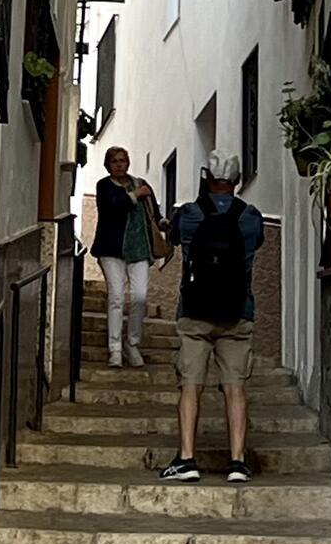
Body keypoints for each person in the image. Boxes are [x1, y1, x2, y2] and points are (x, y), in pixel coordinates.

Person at [158, 148, 264, 485]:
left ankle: (186, 458)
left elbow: (172, 239)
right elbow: (257, 244)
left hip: (194, 313)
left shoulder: (189, 214)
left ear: (208, 179)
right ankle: (237, 462)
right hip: (238, 312)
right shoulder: (251, 217)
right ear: (235, 181)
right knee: (236, 389)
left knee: (190, 386)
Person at [92, 146, 159, 368]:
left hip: (139, 249)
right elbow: (111, 207)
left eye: (122, 160)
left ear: (128, 162)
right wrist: (133, 196)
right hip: (111, 250)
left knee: (140, 296)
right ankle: (115, 350)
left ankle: (132, 343)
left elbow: (153, 213)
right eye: (114, 161)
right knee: (117, 297)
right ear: (108, 165)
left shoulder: (140, 183)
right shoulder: (104, 186)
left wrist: (163, 224)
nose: (119, 164)